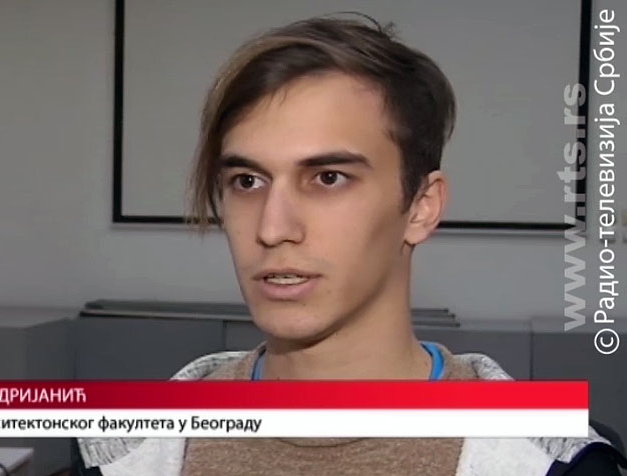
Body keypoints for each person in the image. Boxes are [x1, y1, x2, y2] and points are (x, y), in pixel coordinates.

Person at [74, 13, 626, 476]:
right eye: (247, 181)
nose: (272, 228)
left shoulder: (557, 465)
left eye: (328, 178)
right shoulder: (122, 456)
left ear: (421, 207)